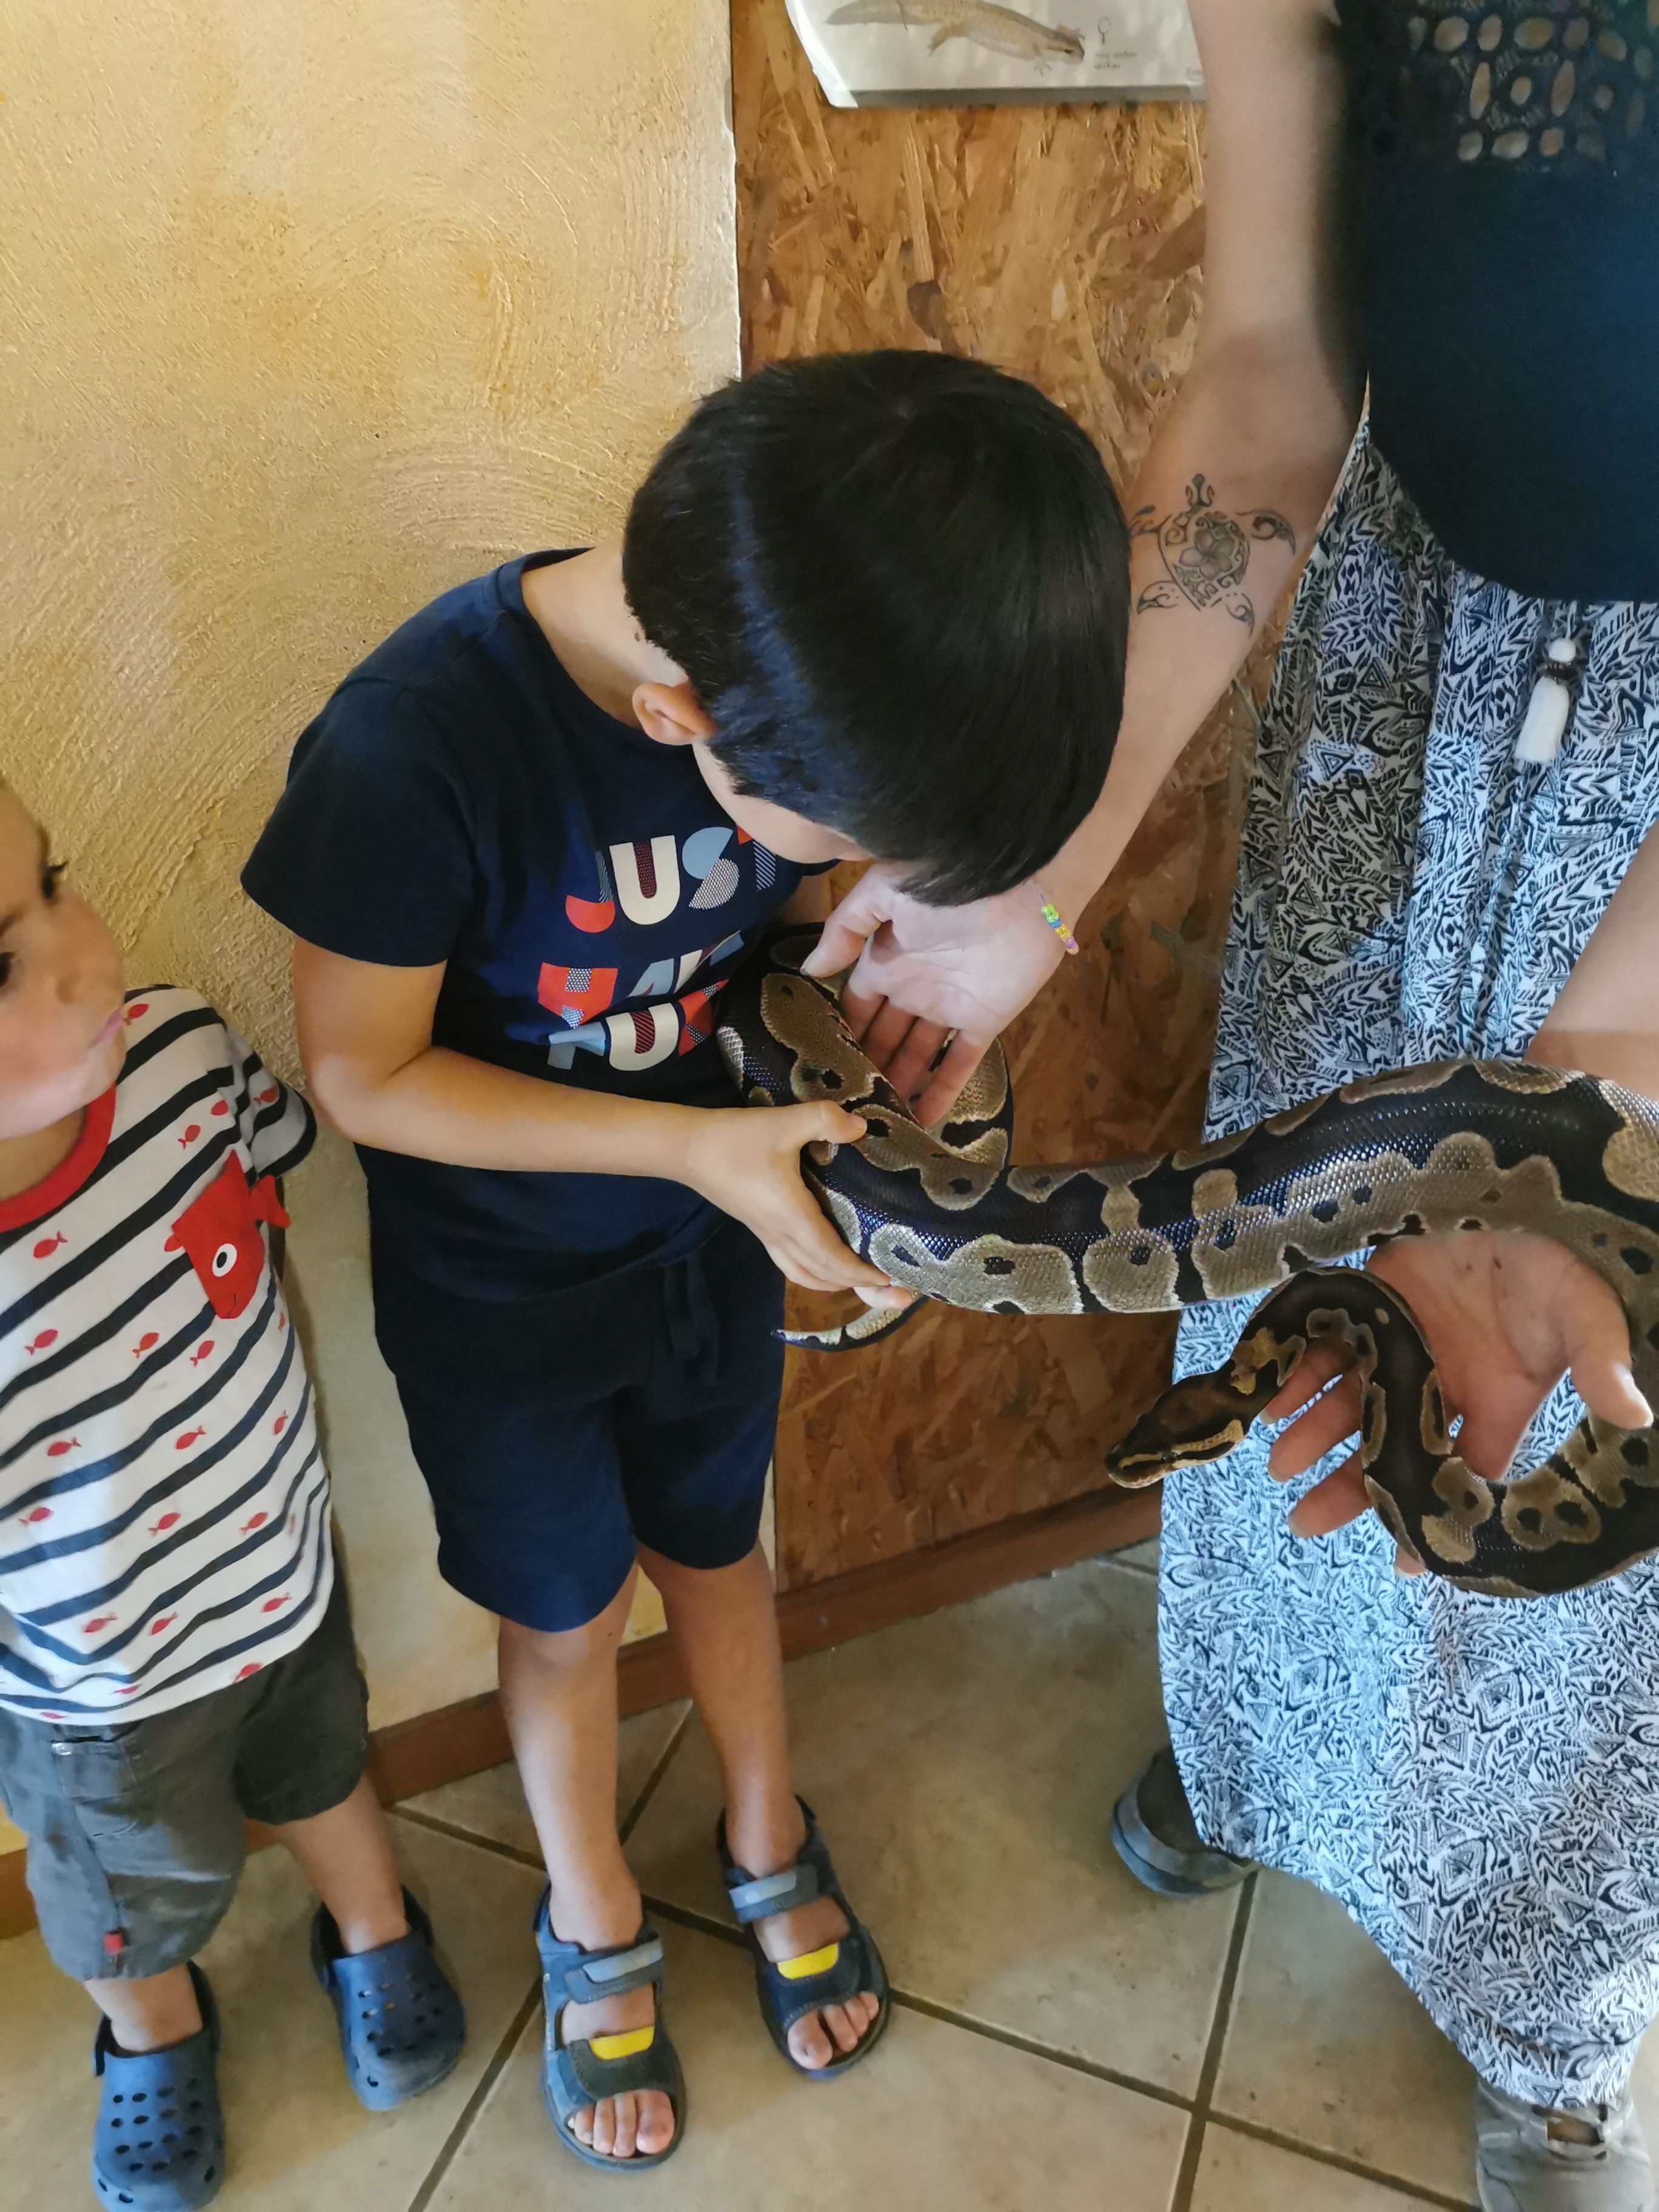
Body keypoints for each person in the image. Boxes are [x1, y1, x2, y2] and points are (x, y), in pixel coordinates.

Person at [810, 7, 1659, 2207]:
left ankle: (1554, 2011)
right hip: (1402, 657)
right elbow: (1275, 366)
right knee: (1298, 1309)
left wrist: (1591, 1092)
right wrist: (1036, 863)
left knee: (1568, 1381)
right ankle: (1274, 1756)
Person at [241, 349, 1131, 2170]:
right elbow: (361, 1078)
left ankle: (763, 1831)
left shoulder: (795, 679)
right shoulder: (414, 749)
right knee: (564, 1617)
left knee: (722, 1556)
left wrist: (859, 1099)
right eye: (851, 847)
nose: (855, 876)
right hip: (502, 1302)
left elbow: (774, 942)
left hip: (706, 1250)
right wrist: (692, 1151)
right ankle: (590, 1917)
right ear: (682, 722)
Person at [0, 782, 464, 2212]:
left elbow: (271, 1207)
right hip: (95, 1698)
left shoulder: (183, 1057)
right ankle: (151, 2032)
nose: (83, 957)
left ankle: (373, 1927)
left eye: (54, 882)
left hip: (280, 1577)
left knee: (326, 1770)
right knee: (124, 1903)